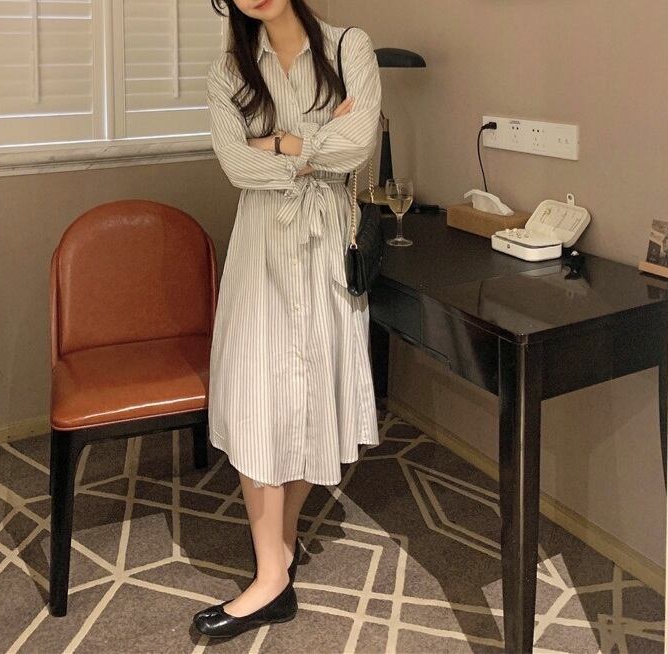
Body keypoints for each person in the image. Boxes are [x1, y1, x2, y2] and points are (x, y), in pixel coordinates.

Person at [192, 0, 383, 638]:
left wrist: (275, 144)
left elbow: (358, 148)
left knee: (310, 401)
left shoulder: (349, 48)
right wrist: (312, 146)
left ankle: (280, 542)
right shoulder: (228, 72)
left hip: (326, 250)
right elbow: (234, 164)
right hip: (261, 254)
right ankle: (272, 576)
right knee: (256, 402)